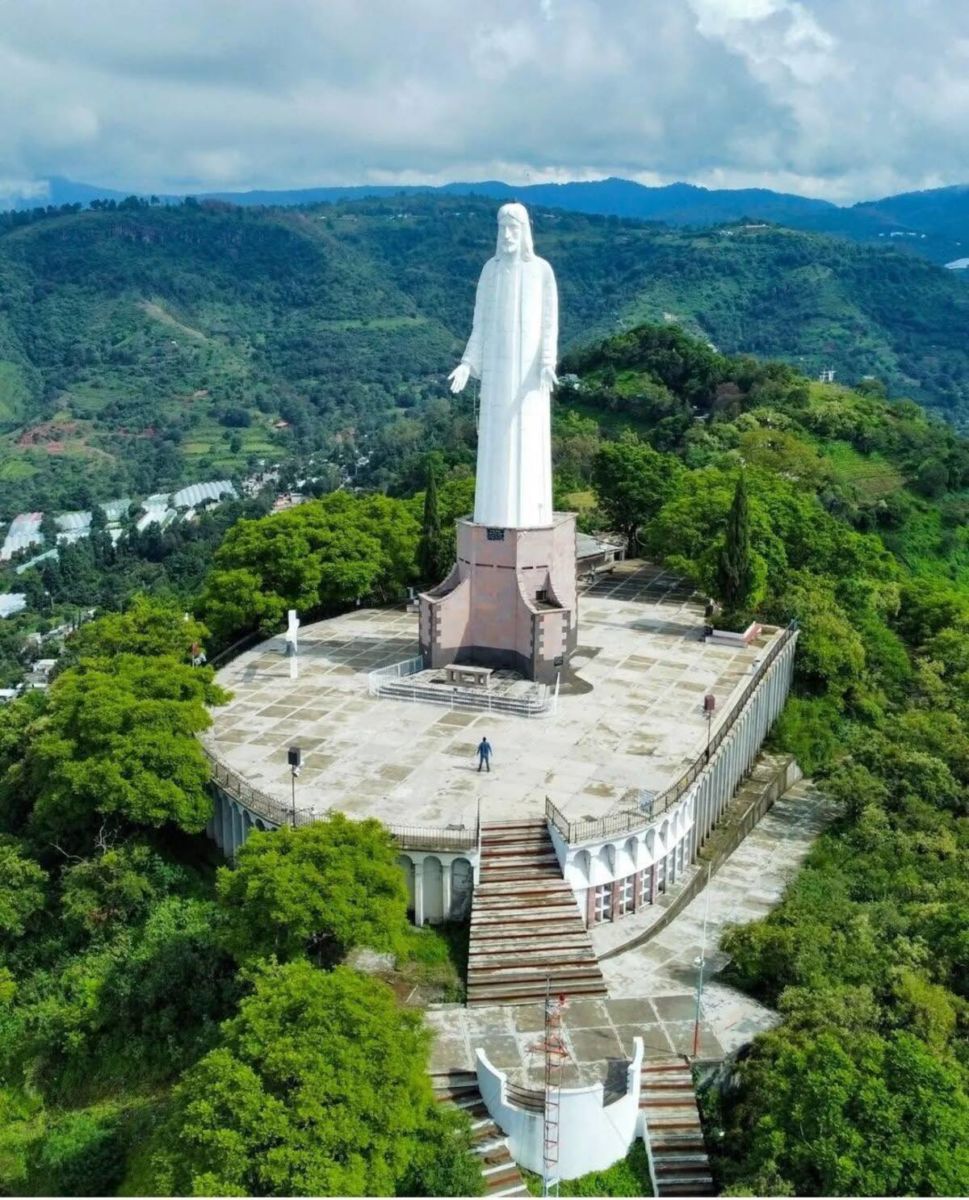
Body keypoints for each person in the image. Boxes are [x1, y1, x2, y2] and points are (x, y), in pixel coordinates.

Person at [448, 203, 558, 530]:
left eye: (514, 228)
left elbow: (550, 323)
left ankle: (529, 526)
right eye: (503, 228)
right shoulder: (490, 271)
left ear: (525, 232)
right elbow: (479, 324)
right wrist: (468, 363)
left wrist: (548, 362)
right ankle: (493, 529)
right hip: (496, 377)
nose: (508, 235)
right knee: (496, 446)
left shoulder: (541, 271)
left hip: (529, 379)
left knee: (528, 443)